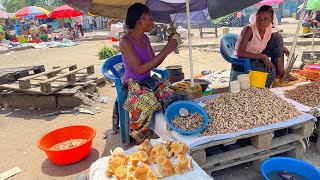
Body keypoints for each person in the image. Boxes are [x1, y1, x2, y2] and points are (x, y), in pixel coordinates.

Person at [111, 3, 177, 136]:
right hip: (131, 86)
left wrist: (167, 50)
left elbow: (154, 63)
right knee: (148, 104)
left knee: (171, 95)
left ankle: (167, 130)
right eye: (150, 18)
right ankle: (139, 138)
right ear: (139, 21)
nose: (153, 22)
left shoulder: (145, 38)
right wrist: (165, 51)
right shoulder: (125, 41)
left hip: (148, 82)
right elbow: (139, 69)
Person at [234, 5, 297, 88]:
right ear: (255, 17)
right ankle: (263, 93)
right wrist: (263, 57)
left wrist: (281, 47)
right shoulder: (249, 30)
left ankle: (281, 72)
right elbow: (239, 53)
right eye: (258, 18)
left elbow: (270, 40)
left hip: (259, 53)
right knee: (271, 73)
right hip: (245, 59)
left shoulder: (269, 27)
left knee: (277, 37)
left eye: (265, 19)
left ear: (271, 19)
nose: (261, 22)